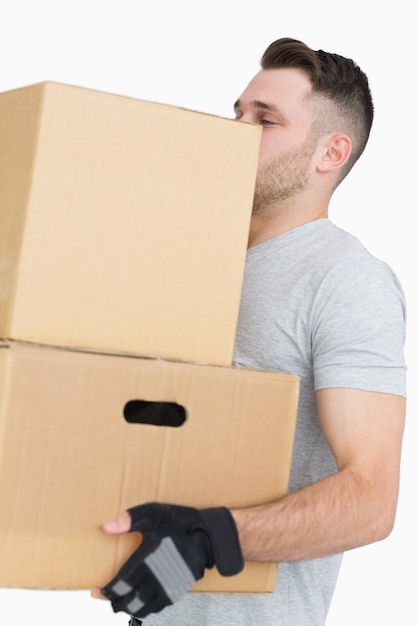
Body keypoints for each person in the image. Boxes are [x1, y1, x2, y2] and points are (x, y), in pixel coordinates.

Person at [92, 37, 407, 625]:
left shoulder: (346, 280)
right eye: (236, 112)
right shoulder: (190, 264)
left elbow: (371, 501)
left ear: (329, 152)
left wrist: (211, 537)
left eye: (265, 120)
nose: (237, 130)